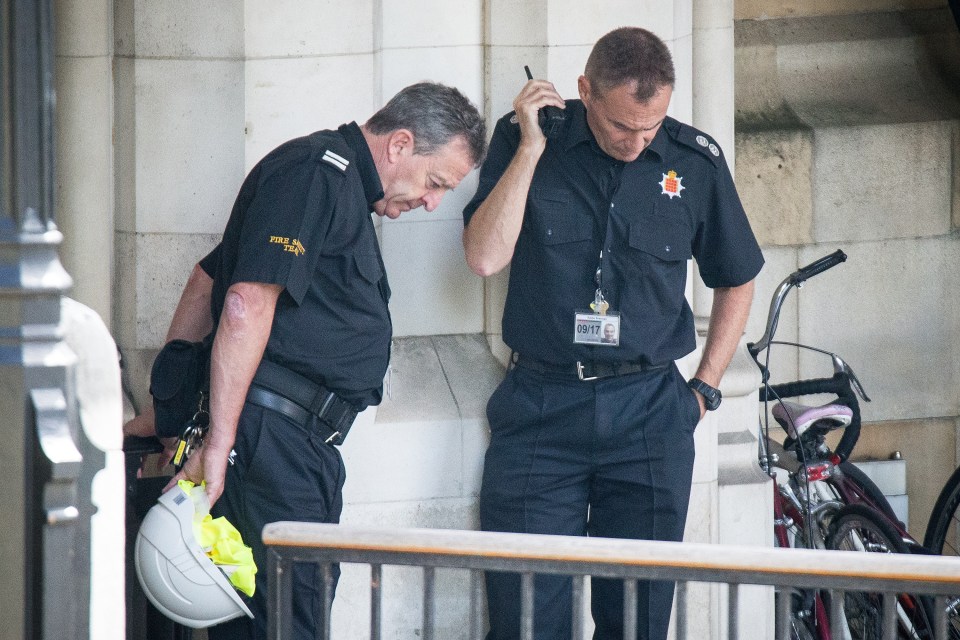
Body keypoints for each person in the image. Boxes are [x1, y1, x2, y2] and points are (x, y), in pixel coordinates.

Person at [126, 81, 487, 640]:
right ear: (399, 145)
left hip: (287, 445)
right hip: (271, 445)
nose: (432, 202)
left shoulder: (332, 184)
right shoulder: (316, 174)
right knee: (286, 624)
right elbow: (243, 302)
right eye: (434, 181)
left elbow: (207, 279)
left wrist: (163, 402)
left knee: (284, 617)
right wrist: (216, 441)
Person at [462, 27, 763, 640]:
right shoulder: (525, 140)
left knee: (638, 621)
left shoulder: (693, 160)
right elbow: (484, 256)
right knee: (524, 616)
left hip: (650, 411)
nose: (636, 142)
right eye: (623, 126)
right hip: (542, 406)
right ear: (585, 93)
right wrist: (528, 152)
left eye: (650, 128)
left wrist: (704, 390)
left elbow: (737, 278)